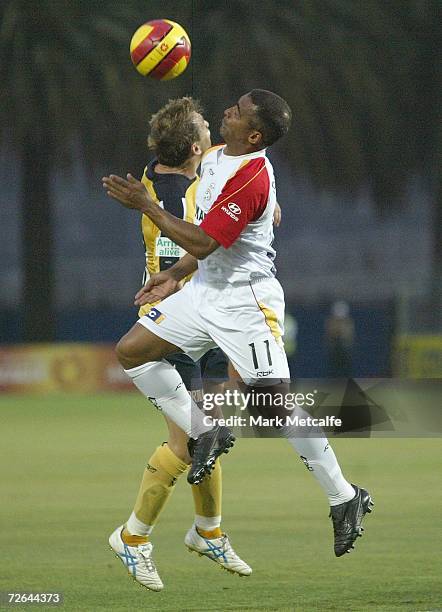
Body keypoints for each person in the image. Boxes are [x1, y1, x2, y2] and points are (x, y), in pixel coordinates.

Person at [102, 89, 373, 566]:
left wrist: (148, 206)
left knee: (272, 407)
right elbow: (207, 251)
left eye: (239, 111)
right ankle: (200, 430)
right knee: (132, 350)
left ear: (254, 134)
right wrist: (171, 275)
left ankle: (344, 496)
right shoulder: (212, 157)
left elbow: (207, 241)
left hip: (246, 302)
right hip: (203, 292)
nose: (227, 110)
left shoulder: (252, 176)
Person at [108, 97, 251, 592]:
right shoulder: (175, 199)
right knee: (189, 442)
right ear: (195, 146)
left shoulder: (164, 175)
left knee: (205, 438)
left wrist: (264, 199)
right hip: (176, 324)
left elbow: (216, 159)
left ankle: (208, 531)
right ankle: (133, 536)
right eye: (207, 129)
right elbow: (201, 242)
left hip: (201, 321)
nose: (216, 133)